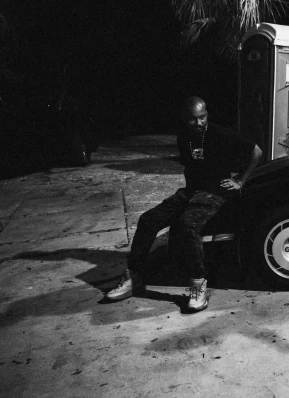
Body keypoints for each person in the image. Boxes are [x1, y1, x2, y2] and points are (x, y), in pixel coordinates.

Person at [106, 97, 263, 311]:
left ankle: (198, 283)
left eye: (202, 118)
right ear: (184, 120)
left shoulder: (221, 134)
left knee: (187, 226)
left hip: (214, 193)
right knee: (148, 220)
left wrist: (240, 180)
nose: (198, 123)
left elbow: (257, 151)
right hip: (190, 192)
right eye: (193, 120)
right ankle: (135, 276)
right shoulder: (183, 138)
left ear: (207, 115)